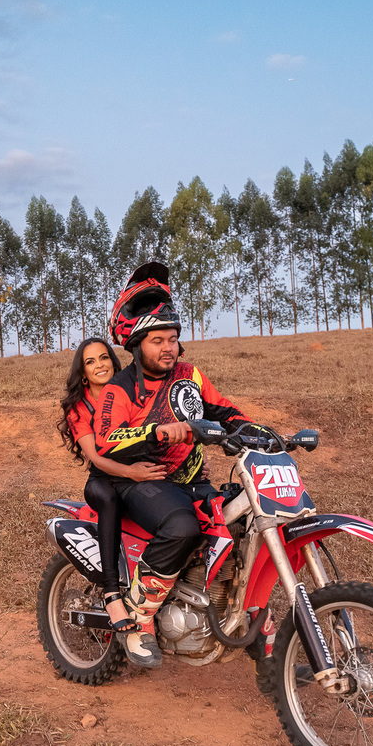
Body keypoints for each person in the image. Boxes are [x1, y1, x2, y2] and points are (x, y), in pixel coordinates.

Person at [92, 262, 253, 668]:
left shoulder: (189, 375)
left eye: (174, 338)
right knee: (181, 526)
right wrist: (161, 432)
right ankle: (139, 616)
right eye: (158, 340)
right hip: (138, 480)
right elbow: (106, 441)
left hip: (191, 478)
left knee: (243, 522)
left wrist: (257, 431)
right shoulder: (119, 388)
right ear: (136, 345)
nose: (169, 347)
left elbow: (225, 410)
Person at [57, 337, 167, 664]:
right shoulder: (80, 406)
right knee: (108, 497)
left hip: (135, 475)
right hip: (103, 479)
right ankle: (110, 592)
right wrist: (132, 473)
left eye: (104, 358)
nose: (100, 365)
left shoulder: (127, 391)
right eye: (90, 362)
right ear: (83, 372)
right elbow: (95, 456)